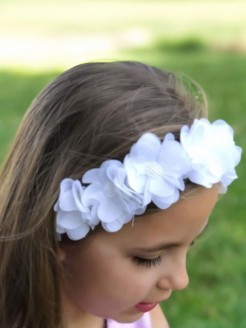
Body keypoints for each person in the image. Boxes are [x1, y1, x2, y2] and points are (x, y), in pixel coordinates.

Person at [0, 61, 241, 328]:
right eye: (147, 259)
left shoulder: (144, 320)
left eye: (190, 244)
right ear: (58, 232)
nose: (181, 280)